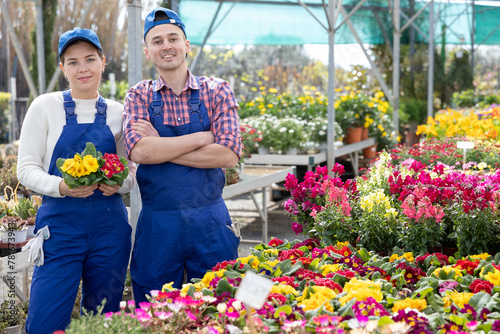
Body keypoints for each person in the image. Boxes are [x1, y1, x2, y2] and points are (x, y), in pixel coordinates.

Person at [17, 28, 136, 334]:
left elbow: (130, 169)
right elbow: (26, 168)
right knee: (45, 322)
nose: (82, 68)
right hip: (59, 231)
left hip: (109, 230)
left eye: (90, 59)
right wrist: (61, 186)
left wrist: (118, 185)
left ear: (103, 61)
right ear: (62, 67)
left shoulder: (119, 113)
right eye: (72, 62)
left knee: (103, 321)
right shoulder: (45, 107)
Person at [123, 8, 241, 303]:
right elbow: (139, 150)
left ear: (187, 45)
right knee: (152, 310)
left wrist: (160, 146)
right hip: (157, 226)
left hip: (210, 221)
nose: (167, 46)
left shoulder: (217, 90)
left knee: (220, 306)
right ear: (148, 52)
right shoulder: (139, 95)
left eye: (173, 38)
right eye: (157, 41)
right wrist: (202, 138)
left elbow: (228, 154)